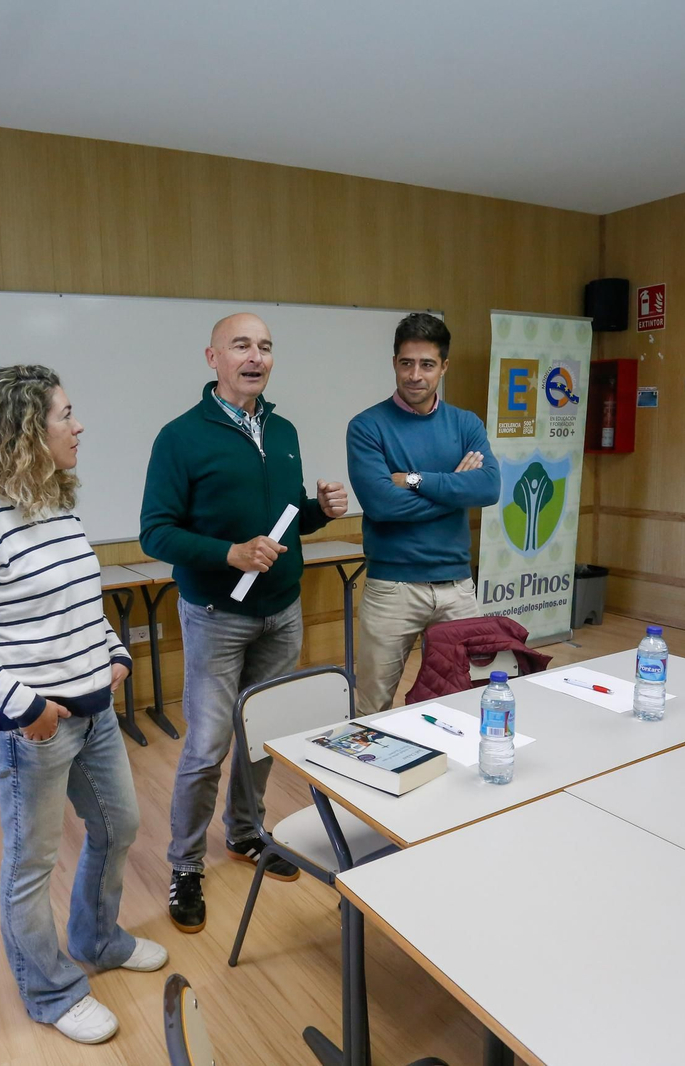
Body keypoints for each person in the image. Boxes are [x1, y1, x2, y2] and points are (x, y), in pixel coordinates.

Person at [0, 365, 165, 1045]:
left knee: (119, 826)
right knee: (30, 865)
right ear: (25, 431)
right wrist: (26, 706)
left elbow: (77, 601)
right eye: (65, 414)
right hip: (30, 729)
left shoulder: (54, 502)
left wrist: (115, 651)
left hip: (94, 710)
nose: (78, 425)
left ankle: (98, 940)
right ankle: (51, 991)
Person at [140, 312, 349, 934]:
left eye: (264, 346)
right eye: (241, 346)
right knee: (206, 747)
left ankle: (246, 833)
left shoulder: (282, 430)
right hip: (215, 616)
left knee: (261, 736)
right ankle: (184, 865)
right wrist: (228, 553)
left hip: (281, 612)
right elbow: (157, 531)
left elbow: (285, 522)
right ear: (213, 358)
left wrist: (319, 511)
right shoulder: (180, 437)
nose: (254, 357)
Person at [346, 312, 500, 715]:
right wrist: (454, 489)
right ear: (395, 362)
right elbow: (381, 504)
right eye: (406, 363)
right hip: (392, 587)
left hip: (457, 587)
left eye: (427, 365)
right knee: (372, 706)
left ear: (443, 367)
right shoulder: (367, 427)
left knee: (468, 697)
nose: (415, 375)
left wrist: (415, 479)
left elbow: (488, 487)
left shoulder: (466, 424)